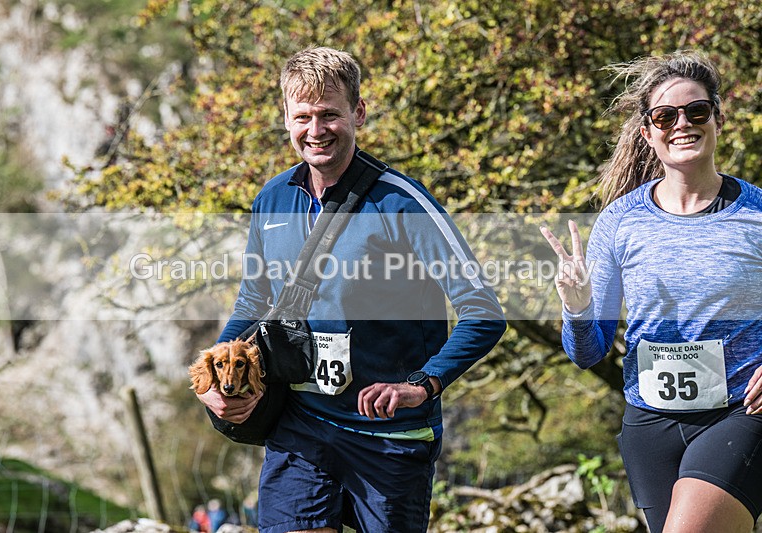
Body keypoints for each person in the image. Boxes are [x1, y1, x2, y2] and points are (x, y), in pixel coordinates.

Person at [196, 46, 506, 533]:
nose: (315, 130)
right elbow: (254, 303)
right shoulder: (272, 199)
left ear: (358, 112)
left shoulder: (403, 204)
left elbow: (483, 312)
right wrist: (216, 375)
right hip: (301, 426)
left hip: (389, 437)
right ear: (285, 118)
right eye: (302, 117)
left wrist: (423, 383)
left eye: (329, 115)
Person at [540, 51, 762, 533]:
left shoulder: (755, 213)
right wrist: (577, 308)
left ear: (718, 118)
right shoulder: (620, 222)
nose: (682, 124)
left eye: (696, 111)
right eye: (665, 116)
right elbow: (587, 352)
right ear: (648, 132)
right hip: (651, 423)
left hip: (741, 412)